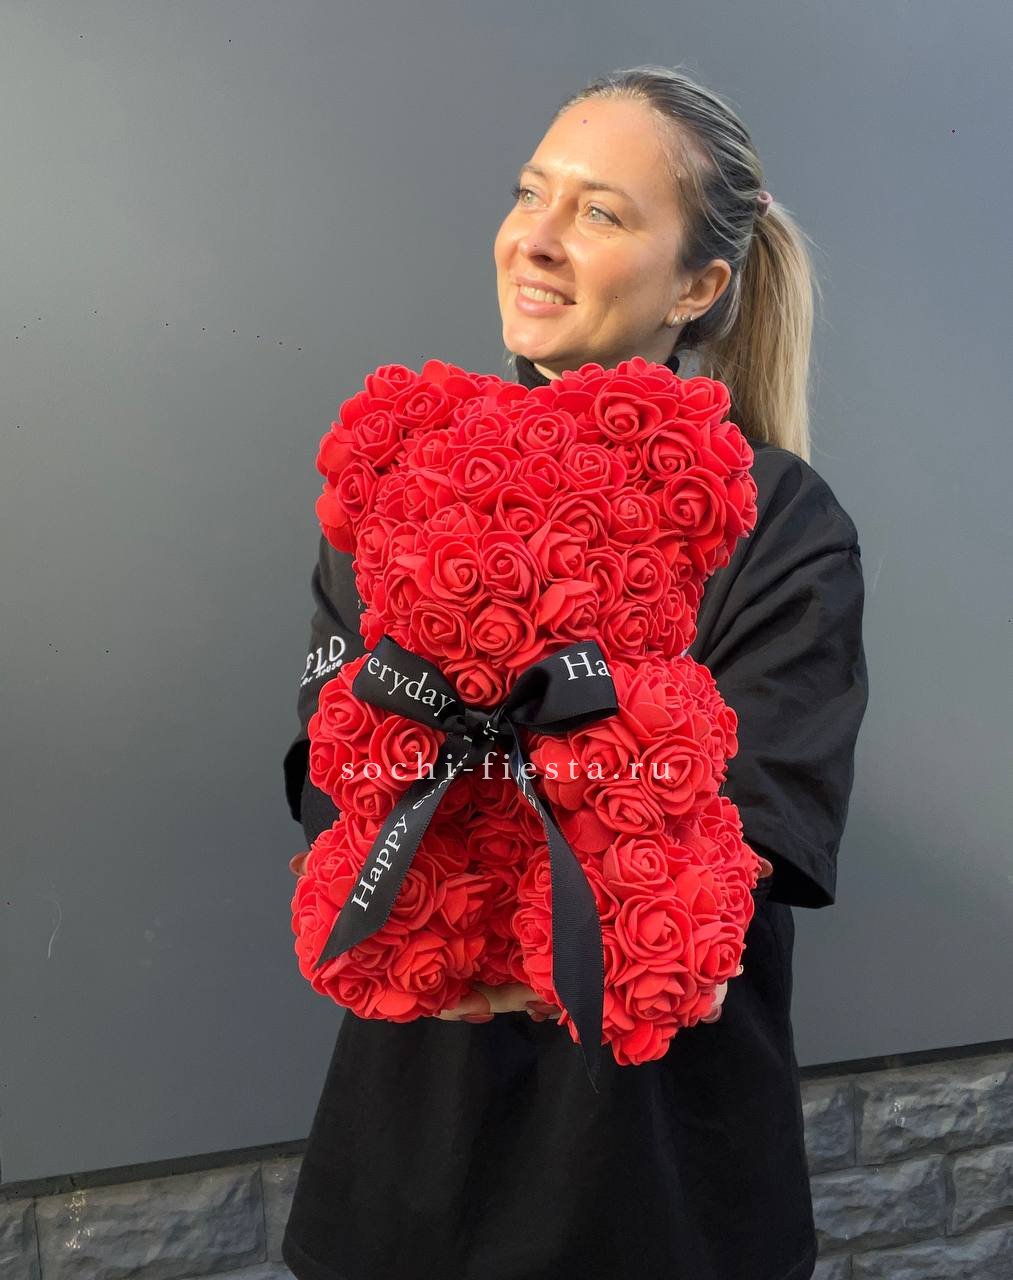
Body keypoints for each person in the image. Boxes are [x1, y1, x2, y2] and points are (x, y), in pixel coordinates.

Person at [280, 64, 869, 1280]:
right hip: (408, 1173)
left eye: (599, 211)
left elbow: (762, 821)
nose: (534, 239)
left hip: (654, 1188)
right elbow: (329, 765)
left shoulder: (777, 520)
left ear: (698, 286)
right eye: (528, 192)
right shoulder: (402, 480)